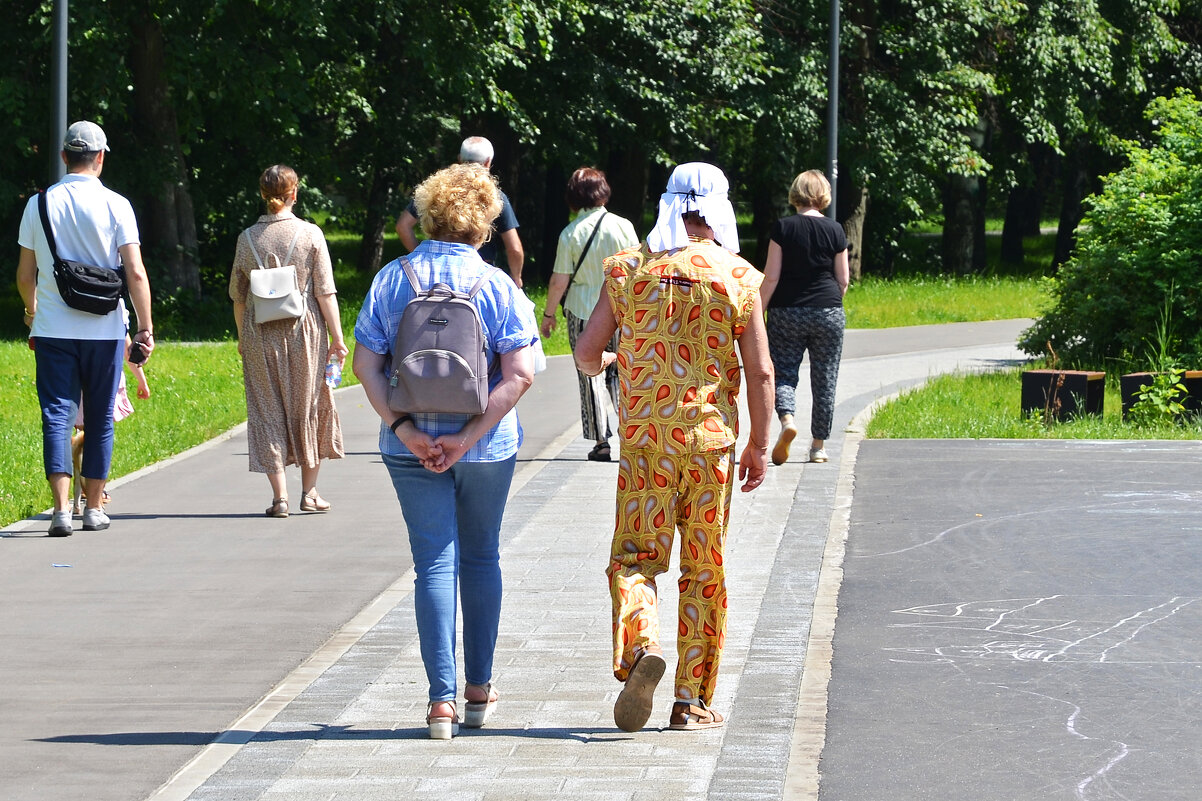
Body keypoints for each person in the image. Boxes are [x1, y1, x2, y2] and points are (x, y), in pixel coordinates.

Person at [574, 162, 773, 732]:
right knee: (704, 567)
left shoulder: (628, 269)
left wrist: (614, 360)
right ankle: (692, 701)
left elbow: (587, 354)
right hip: (711, 444)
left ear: (668, 203)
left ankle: (640, 649)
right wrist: (760, 444)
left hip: (645, 443)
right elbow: (759, 373)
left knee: (636, 558)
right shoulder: (738, 277)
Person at [353, 162, 537, 740]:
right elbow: (521, 373)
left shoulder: (393, 279)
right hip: (484, 446)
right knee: (482, 558)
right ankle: (479, 690)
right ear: (484, 224)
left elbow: (365, 364)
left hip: (409, 444)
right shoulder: (497, 286)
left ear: (428, 215)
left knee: (434, 562)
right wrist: (467, 437)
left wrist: (406, 430)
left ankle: (440, 704)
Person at [16, 121, 155, 537]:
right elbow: (135, 271)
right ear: (100, 157)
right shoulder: (117, 205)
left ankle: (60, 512)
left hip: (54, 331)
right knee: (99, 420)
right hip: (106, 330)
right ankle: (93, 509)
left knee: (56, 417)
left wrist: (32, 311)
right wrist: (145, 329)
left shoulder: (37, 206)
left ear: (63, 157)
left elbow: (25, 275)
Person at [229, 165, 347, 518]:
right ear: (294, 193)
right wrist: (338, 338)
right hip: (304, 332)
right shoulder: (311, 234)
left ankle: (279, 498)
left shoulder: (246, 238)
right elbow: (325, 292)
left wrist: (241, 337)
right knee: (308, 406)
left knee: (266, 411)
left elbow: (238, 296)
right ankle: (309, 493)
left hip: (258, 332)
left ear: (263, 195)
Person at [540, 167, 639, 461]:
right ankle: (630, 433)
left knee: (590, 373)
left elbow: (560, 280)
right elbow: (636, 269)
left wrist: (548, 316)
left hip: (583, 310)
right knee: (625, 372)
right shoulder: (624, 226)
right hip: (621, 310)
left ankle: (601, 441)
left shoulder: (571, 233)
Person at [759, 169, 849, 466]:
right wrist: (830, 304)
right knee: (825, 379)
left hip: (787, 311)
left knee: (784, 373)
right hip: (828, 310)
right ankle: (819, 447)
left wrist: (757, 311)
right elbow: (844, 280)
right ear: (823, 195)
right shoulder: (836, 230)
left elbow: (771, 277)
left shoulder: (783, 228)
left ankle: (787, 421)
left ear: (795, 193)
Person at [395, 136, 525, 286]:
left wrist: (419, 256)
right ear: (488, 162)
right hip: (479, 276)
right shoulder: (494, 197)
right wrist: (516, 278)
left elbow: (402, 226)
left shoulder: (437, 190)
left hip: (431, 271)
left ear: (460, 159)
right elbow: (514, 248)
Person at [71, 330, 152, 512]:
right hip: (105, 380)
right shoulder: (112, 312)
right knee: (98, 436)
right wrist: (142, 381)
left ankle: (83, 488)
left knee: (83, 439)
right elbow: (130, 353)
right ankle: (95, 489)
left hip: (78, 379)